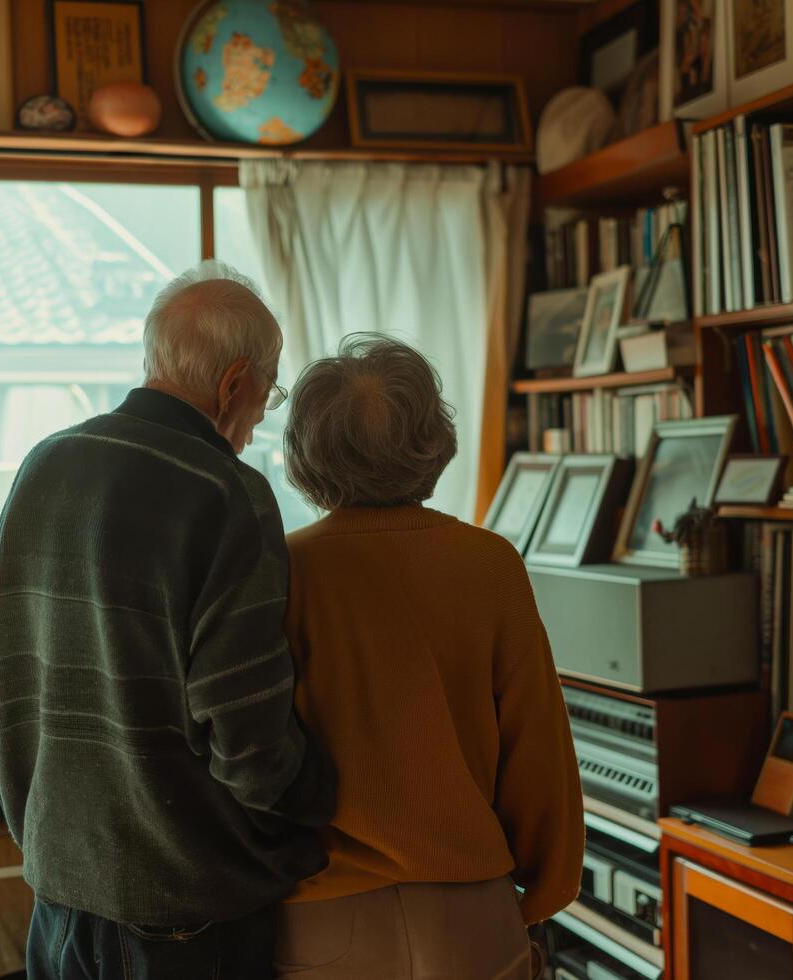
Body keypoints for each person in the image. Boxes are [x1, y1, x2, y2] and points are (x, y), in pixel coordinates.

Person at [0, 261, 335, 980]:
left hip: (58, 894)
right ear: (235, 383)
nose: (266, 409)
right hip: (183, 917)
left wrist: (49, 834)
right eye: (270, 388)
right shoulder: (226, 492)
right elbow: (246, 733)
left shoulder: (43, 464)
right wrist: (312, 809)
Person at [273, 335, 584, 979]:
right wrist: (544, 888)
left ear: (306, 452)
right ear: (433, 439)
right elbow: (538, 748)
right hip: (471, 914)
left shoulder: (283, 569)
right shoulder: (489, 562)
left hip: (321, 920)